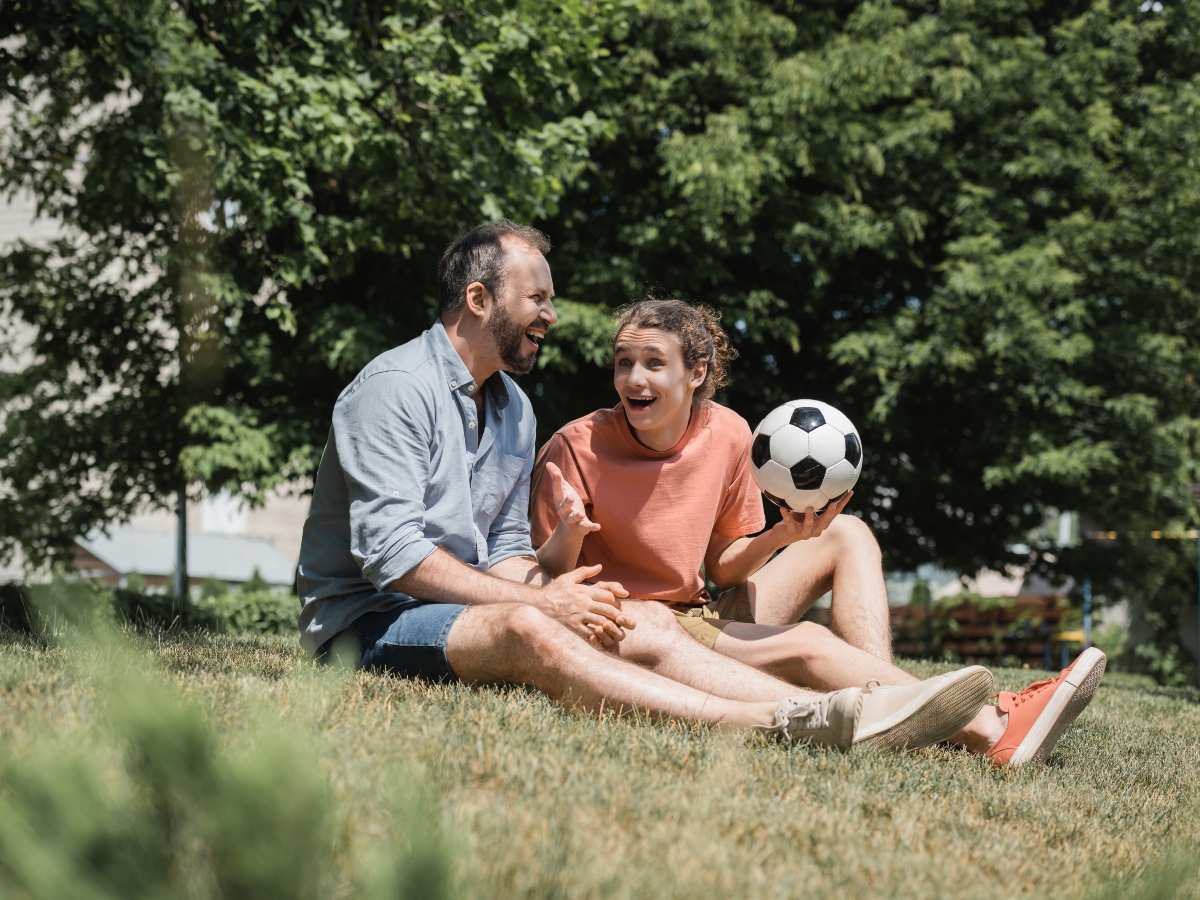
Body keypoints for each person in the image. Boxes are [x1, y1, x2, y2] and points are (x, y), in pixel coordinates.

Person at [296, 221, 996, 752]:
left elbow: (506, 544)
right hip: (369, 625)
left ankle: (901, 714)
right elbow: (393, 558)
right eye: (536, 297)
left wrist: (560, 588)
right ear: (479, 299)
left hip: (469, 606)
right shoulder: (395, 390)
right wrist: (539, 599)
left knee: (642, 618)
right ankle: (775, 721)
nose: (551, 314)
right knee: (528, 624)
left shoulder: (511, 406)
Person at [530, 297, 1106, 766]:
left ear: (696, 372)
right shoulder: (574, 446)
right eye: (623, 362)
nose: (633, 378)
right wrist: (573, 535)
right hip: (640, 624)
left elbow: (724, 566)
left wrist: (785, 534)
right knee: (808, 643)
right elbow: (546, 585)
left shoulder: (729, 433)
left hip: (700, 612)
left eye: (653, 363)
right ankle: (991, 726)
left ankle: (893, 713)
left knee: (849, 533)